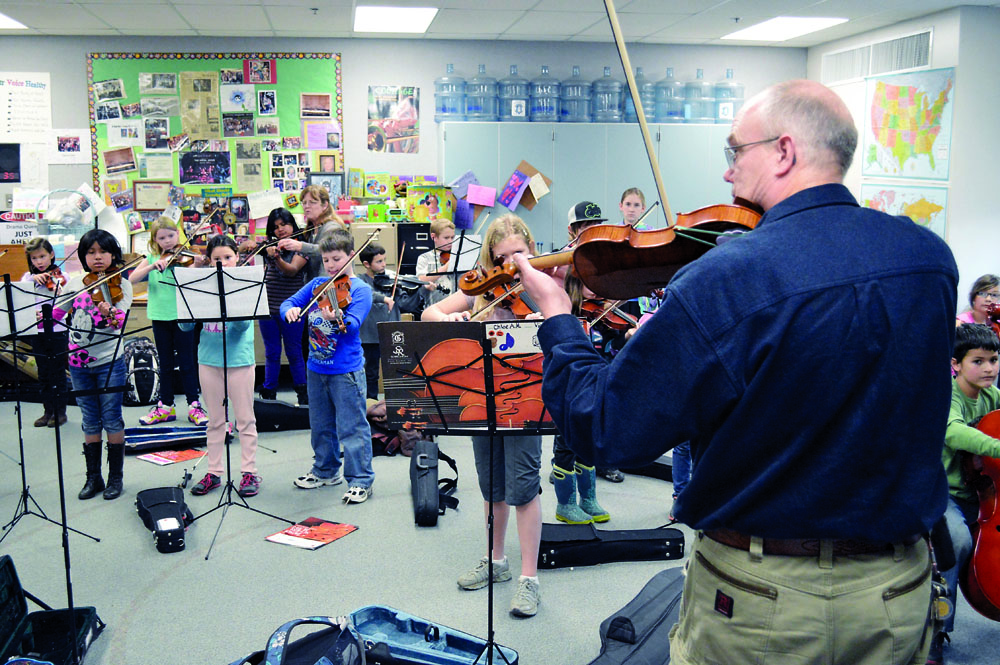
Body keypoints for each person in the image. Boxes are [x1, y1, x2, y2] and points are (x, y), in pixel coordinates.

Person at [514, 79, 959, 663]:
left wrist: (558, 318)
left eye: (735, 152)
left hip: (765, 601)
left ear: (784, 151)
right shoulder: (929, 258)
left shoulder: (729, 278)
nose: (727, 174)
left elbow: (605, 428)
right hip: (898, 590)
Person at [421, 213, 543, 619]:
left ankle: (530, 579)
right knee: (491, 486)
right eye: (504, 256)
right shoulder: (480, 286)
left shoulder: (541, 284)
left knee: (524, 486)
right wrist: (450, 318)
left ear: (531, 250)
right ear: (492, 255)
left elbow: (563, 319)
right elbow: (429, 313)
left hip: (526, 398)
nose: (512, 266)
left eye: (520, 255)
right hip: (483, 395)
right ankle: (496, 563)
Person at [281, 229, 375, 504]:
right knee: (320, 425)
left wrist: (336, 318)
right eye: (327, 259)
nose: (331, 265)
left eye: (337, 258)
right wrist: (289, 310)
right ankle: (325, 470)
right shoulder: (318, 285)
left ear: (352, 256)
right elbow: (289, 302)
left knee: (352, 428)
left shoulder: (360, 290)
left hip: (345, 371)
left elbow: (353, 326)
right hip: (316, 367)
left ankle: (360, 480)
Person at [932, 323, 1000, 664]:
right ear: (956, 364)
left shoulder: (992, 396)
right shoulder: (949, 394)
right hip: (947, 493)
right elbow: (954, 432)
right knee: (955, 543)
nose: (989, 368)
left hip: (985, 493)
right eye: (979, 361)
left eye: (994, 359)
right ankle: (936, 632)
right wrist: (995, 445)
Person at [55, 229, 134, 501]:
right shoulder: (76, 283)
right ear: (83, 256)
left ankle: (115, 478)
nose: (97, 257)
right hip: (77, 363)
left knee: (111, 417)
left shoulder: (121, 284)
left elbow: (120, 322)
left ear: (113, 254)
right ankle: (94, 477)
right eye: (91, 252)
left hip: (108, 361)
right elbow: (55, 314)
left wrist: (110, 312)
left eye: (103, 251)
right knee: (89, 420)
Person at [184, 235, 262, 498]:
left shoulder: (244, 284)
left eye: (228, 257)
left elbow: (241, 329)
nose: (223, 262)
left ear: (236, 258)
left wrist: (231, 306)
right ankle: (214, 472)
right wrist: (188, 306)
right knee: (215, 421)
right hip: (208, 360)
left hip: (239, 360)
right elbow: (185, 325)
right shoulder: (201, 286)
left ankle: (249, 471)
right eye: (217, 258)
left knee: (244, 418)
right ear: (210, 260)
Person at [128, 216, 206, 426]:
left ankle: (194, 405)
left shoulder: (185, 256)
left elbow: (193, 279)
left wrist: (197, 265)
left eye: (171, 235)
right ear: (155, 240)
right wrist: (153, 267)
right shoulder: (153, 257)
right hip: (160, 315)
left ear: (177, 234)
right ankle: (166, 406)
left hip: (183, 315)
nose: (168, 241)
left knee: (187, 361)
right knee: (165, 362)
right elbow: (132, 278)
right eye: (162, 238)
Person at [240, 208, 309, 404]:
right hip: (267, 307)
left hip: (291, 309)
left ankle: (303, 396)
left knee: (294, 352)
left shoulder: (300, 248)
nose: (280, 230)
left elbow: (291, 271)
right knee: (271, 352)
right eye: (275, 227)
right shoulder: (270, 246)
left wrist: (276, 257)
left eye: (284, 225)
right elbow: (242, 249)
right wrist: (249, 245)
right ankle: (269, 392)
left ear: (292, 225)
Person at [357, 242, 422, 400]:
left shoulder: (392, 280)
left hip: (392, 333)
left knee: (396, 372)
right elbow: (368, 295)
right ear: (367, 264)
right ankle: (371, 403)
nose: (384, 265)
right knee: (371, 374)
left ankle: (395, 406)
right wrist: (384, 297)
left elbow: (406, 305)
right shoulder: (360, 281)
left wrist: (420, 289)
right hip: (369, 335)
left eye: (385, 260)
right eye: (379, 261)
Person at [21, 237, 69, 427]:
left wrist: (59, 286)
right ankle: (47, 411)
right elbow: (22, 294)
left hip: (58, 330)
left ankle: (60, 412)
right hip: (37, 330)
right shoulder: (28, 278)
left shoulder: (62, 277)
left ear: (51, 255)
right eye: (34, 258)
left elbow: (67, 301)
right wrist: (32, 279)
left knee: (58, 371)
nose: (39, 262)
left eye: (42, 256)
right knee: (43, 372)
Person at [277, 184, 346, 282]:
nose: (307, 206)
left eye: (312, 202)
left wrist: (301, 246)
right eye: (304, 203)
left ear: (325, 205)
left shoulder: (332, 227)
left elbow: (329, 251)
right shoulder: (312, 229)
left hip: (329, 286)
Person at [415, 219, 456, 308]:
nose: (450, 241)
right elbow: (421, 279)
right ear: (434, 237)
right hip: (433, 308)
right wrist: (446, 267)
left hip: (456, 307)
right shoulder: (424, 258)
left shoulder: (457, 256)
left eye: (452, 237)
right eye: (446, 238)